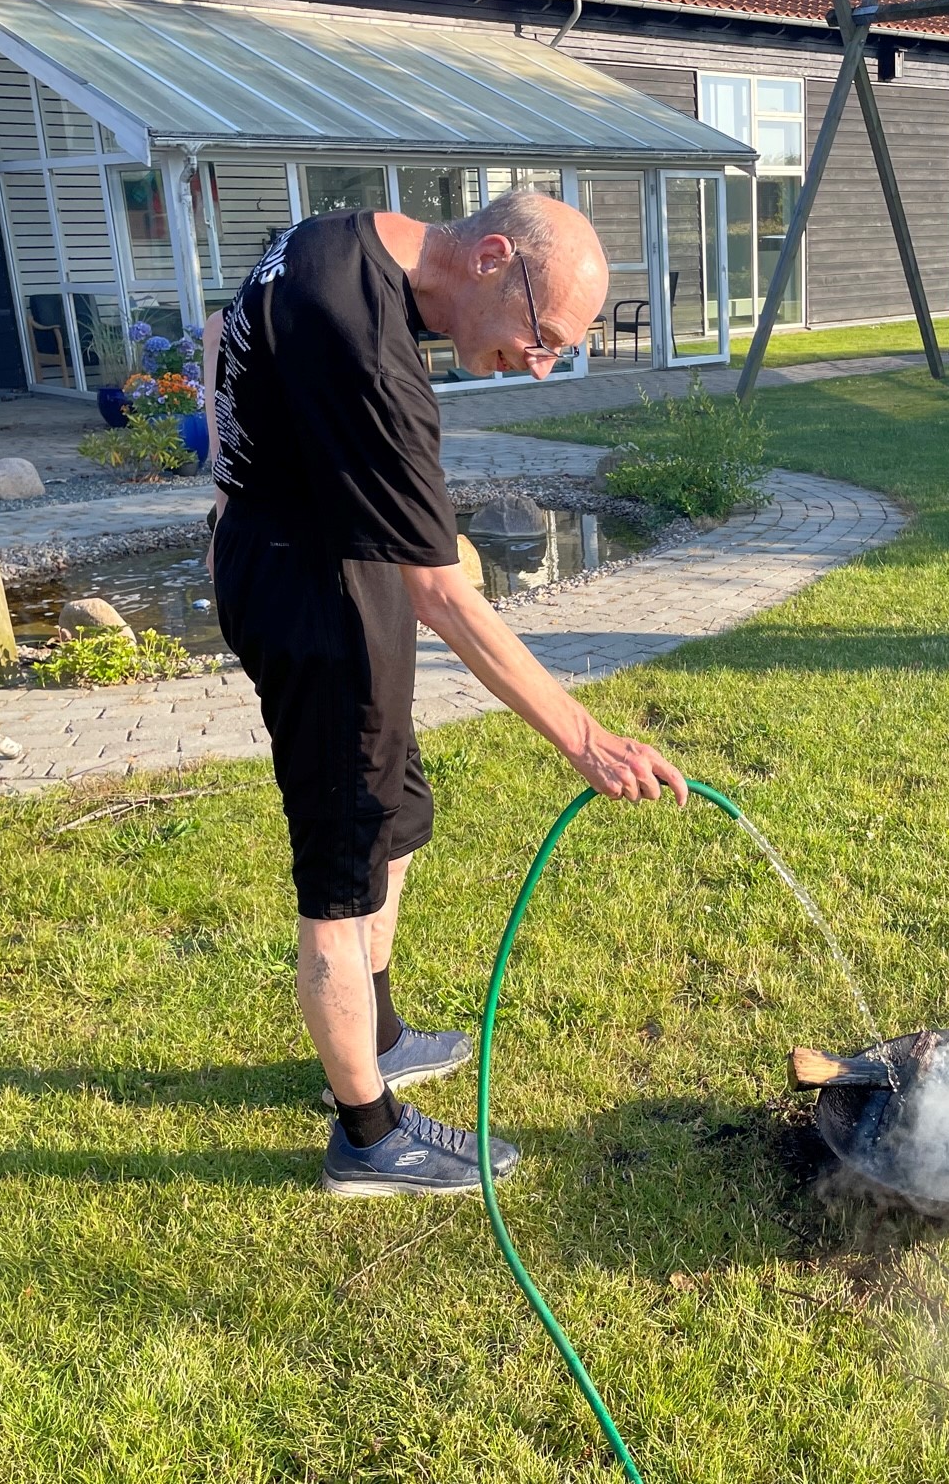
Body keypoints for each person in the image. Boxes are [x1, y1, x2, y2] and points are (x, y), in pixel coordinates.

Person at [202, 191, 687, 1198]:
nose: (540, 361)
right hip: (315, 595)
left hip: (316, 557)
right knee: (339, 881)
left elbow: (219, 335)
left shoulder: (336, 233)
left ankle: (377, 1032)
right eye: (540, 333)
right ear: (492, 258)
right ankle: (368, 1135)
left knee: (400, 819)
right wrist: (587, 741)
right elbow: (444, 598)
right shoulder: (376, 356)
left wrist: (242, 475)